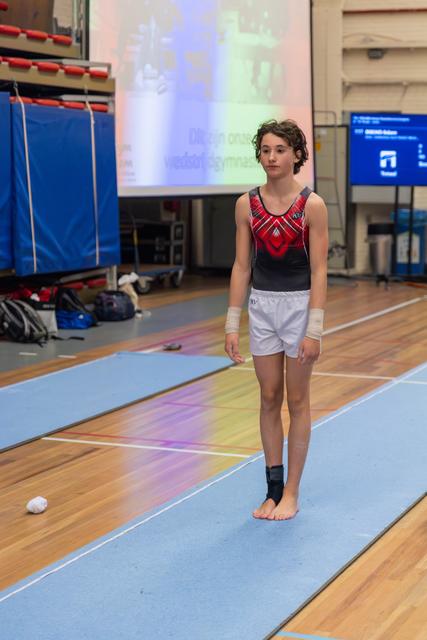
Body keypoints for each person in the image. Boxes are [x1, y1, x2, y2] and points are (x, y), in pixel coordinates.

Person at [224, 119, 328, 521]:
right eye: (265, 150)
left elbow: (319, 270)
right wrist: (233, 323)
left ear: (297, 155)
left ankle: (292, 492)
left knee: (297, 400)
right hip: (263, 306)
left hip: (300, 307)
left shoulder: (311, 206)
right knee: (269, 398)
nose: (271, 157)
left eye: (280, 150)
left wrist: (314, 330)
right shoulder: (246, 204)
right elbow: (240, 265)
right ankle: (271, 490)